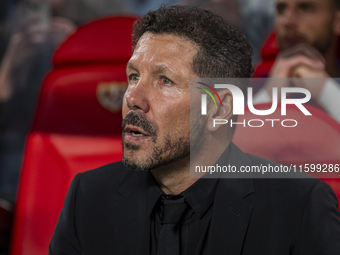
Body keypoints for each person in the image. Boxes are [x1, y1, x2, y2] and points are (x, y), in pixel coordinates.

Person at [49, 5, 340, 255]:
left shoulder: (300, 208)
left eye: (165, 81)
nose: (132, 98)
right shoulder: (88, 197)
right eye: (134, 76)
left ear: (220, 108)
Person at [253, 0, 340, 122]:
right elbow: (229, 138)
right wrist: (269, 96)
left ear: (337, 21)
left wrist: (325, 89)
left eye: (306, 8)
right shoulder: (251, 85)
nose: (288, 22)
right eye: (282, 9)